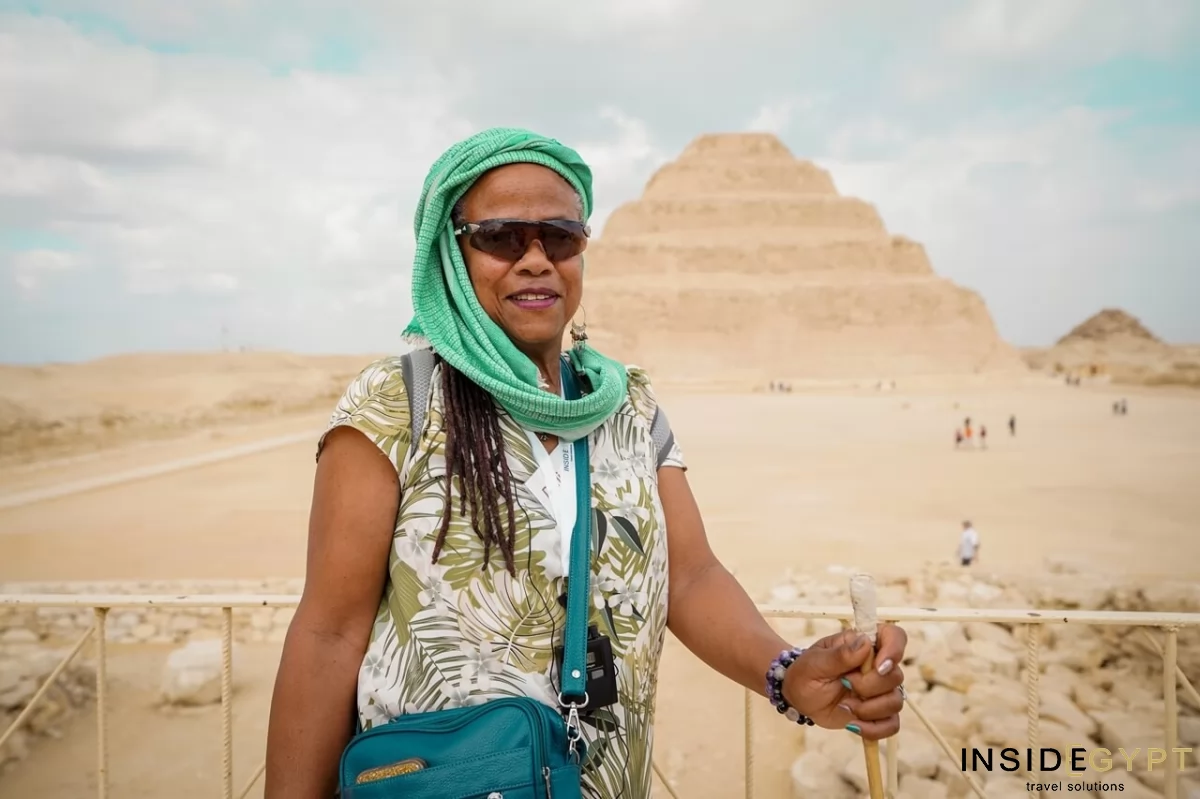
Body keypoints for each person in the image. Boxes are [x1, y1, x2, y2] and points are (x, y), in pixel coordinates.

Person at [263, 128, 908, 799]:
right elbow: (329, 632)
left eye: (561, 236)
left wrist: (788, 672)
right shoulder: (398, 401)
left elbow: (691, 577)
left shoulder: (627, 406)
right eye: (503, 236)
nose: (536, 259)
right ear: (452, 252)